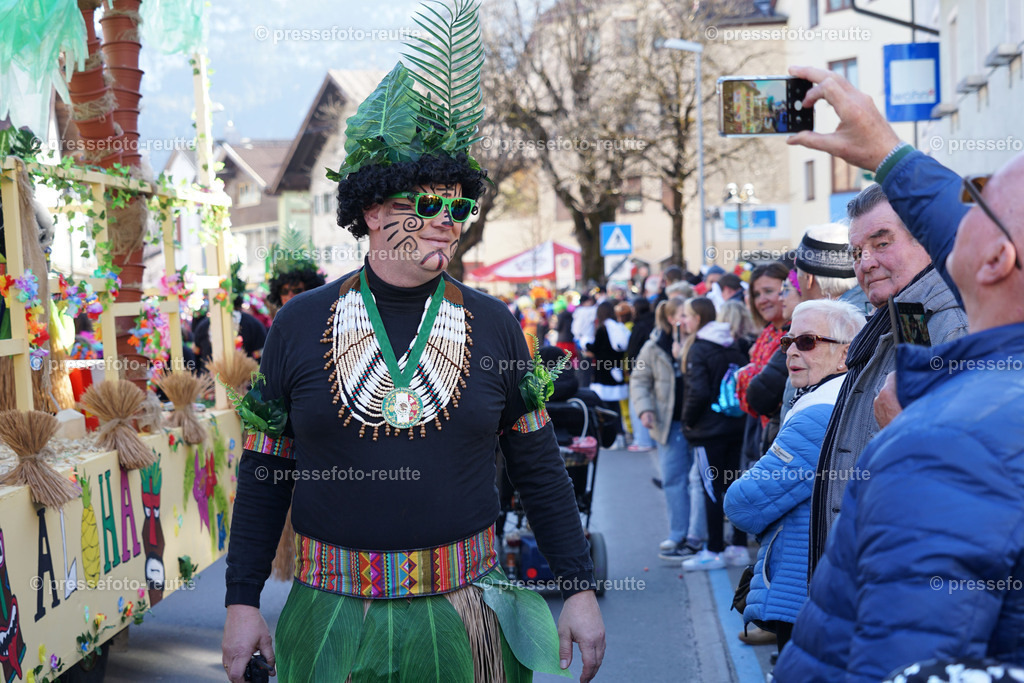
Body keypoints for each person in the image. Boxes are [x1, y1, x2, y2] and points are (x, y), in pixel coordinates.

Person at [221, 7, 604, 681]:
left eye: (456, 207)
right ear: (372, 212)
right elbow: (264, 473)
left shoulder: (495, 324)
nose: (445, 224)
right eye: (425, 206)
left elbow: (539, 465)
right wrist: (241, 600)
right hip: (330, 613)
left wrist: (577, 585)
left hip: (469, 612)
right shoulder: (299, 323)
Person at [773, 64, 1024, 681]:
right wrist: (887, 152)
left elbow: (900, 657)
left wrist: (904, 435)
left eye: (978, 204)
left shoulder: (947, 444)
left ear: (995, 258)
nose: (956, 214)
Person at [807, 182, 968, 576]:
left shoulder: (951, 329)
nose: (865, 263)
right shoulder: (896, 322)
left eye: (881, 244)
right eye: (858, 252)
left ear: (927, 240)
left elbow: (966, 484)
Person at [724, 299, 864, 660]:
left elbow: (743, 505)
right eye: (788, 342)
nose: (791, 352)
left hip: (805, 592)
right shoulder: (838, 400)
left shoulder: (818, 415)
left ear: (844, 354)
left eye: (808, 342)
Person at [678, 297, 750, 571]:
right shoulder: (732, 343)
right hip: (735, 425)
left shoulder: (699, 348)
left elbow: (697, 392)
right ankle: (738, 546)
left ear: (698, 318)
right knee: (734, 486)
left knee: (711, 489)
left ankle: (714, 550)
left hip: (708, 430)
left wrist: (688, 423)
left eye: (686, 315)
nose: (683, 321)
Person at [630, 297, 698, 560]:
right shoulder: (654, 345)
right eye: (682, 313)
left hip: (700, 422)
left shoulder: (699, 341)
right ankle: (678, 533)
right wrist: (645, 409)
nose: (686, 318)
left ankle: (698, 535)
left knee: (701, 481)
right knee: (673, 479)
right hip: (669, 423)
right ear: (671, 318)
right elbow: (639, 379)